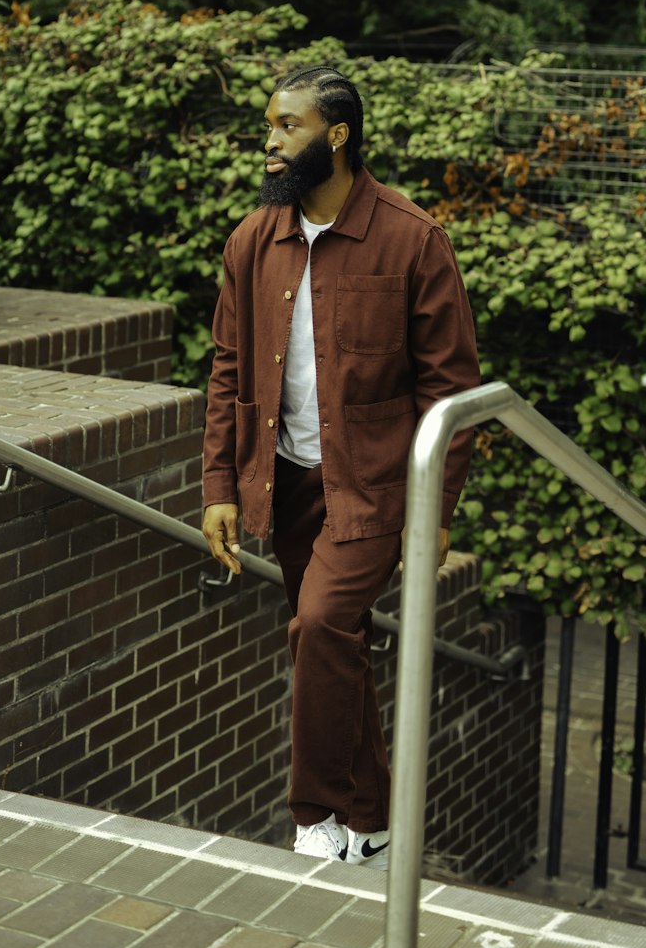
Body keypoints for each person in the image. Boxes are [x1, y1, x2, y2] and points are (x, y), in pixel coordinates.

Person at [201, 65, 479, 870]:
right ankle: (375, 817)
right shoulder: (254, 241)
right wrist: (220, 486)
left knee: (321, 625)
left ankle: (315, 812)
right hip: (283, 482)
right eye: (269, 127)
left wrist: (431, 515)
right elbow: (228, 367)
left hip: (373, 490)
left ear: (338, 135)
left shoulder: (411, 238)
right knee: (336, 644)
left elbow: (452, 393)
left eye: (287, 127)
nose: (270, 144)